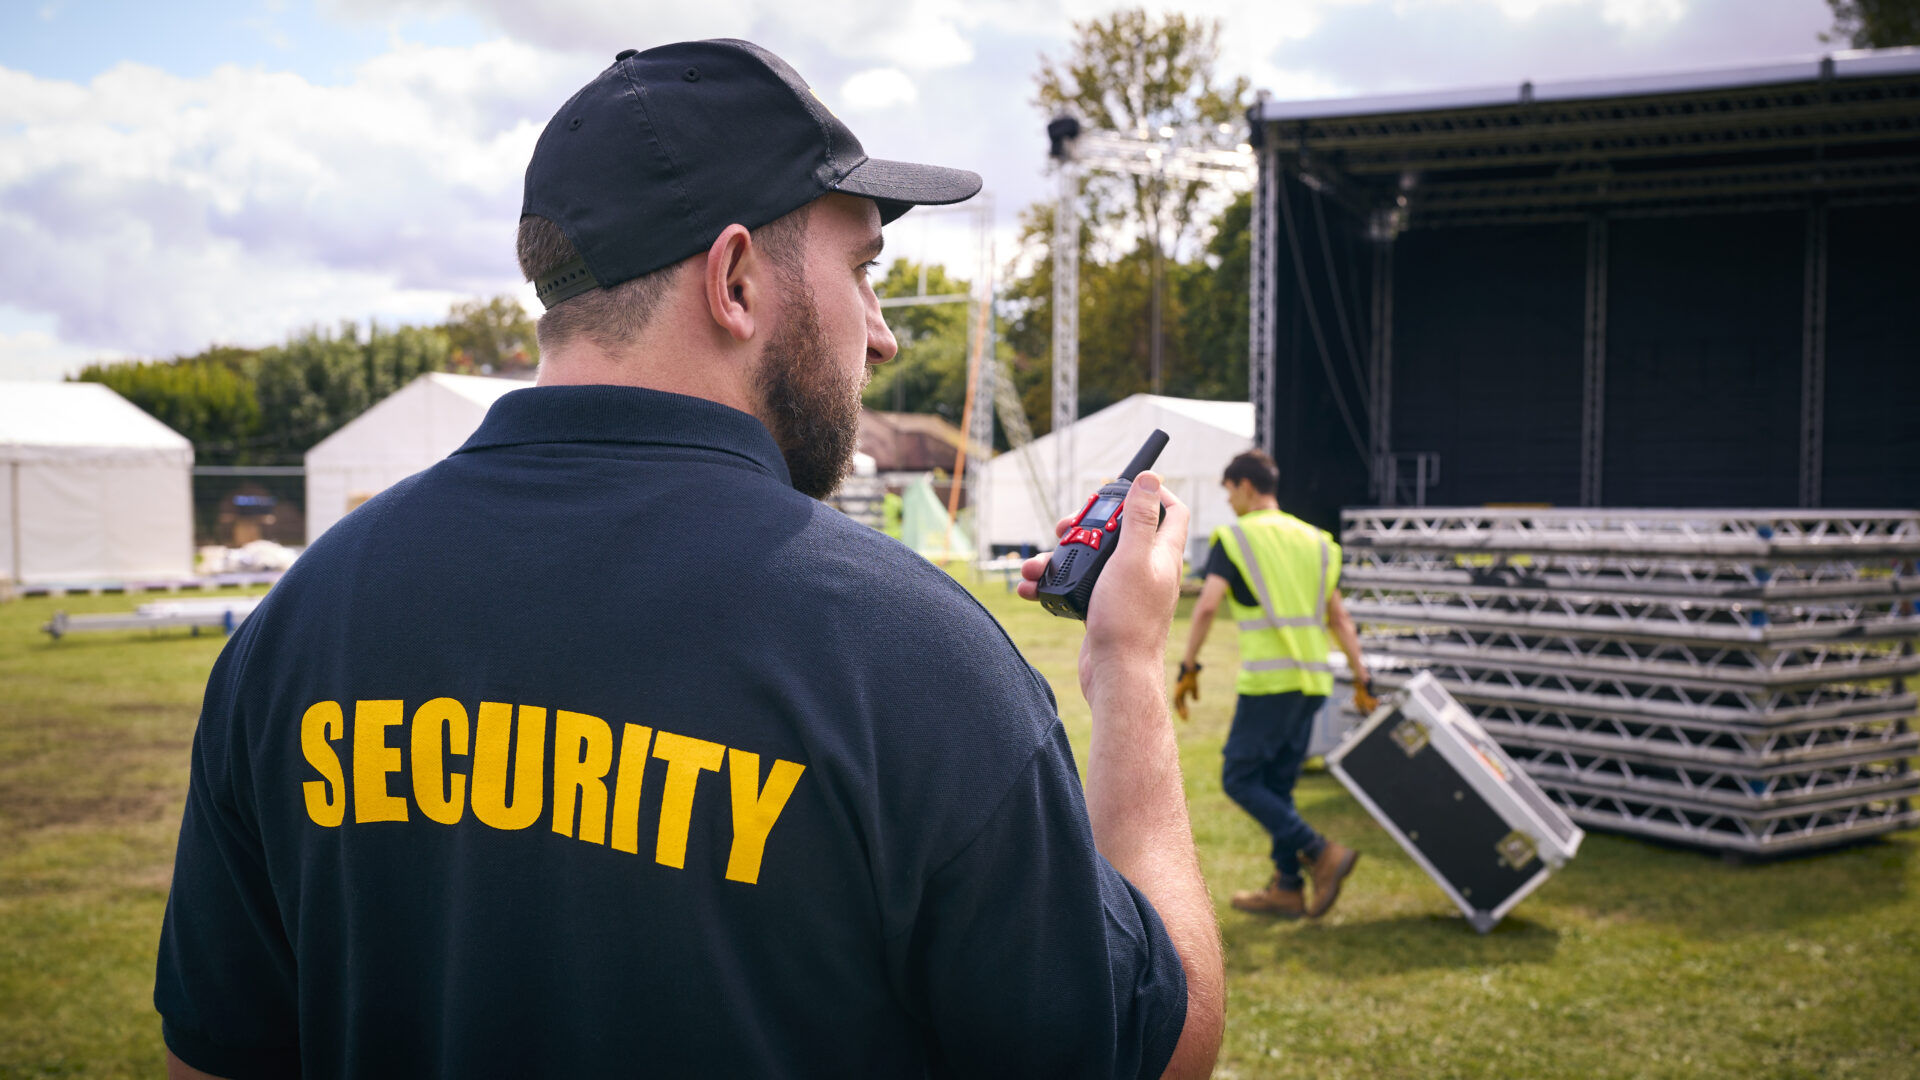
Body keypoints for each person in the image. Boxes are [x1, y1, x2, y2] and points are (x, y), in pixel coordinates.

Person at [154, 39, 1223, 1079]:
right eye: (863, 271)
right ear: (737, 280)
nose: (884, 336)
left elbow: (214, 1053)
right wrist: (1125, 668)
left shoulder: (303, 621)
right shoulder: (906, 657)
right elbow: (1160, 1048)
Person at [1172, 449, 1374, 919]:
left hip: (1270, 682)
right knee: (1278, 785)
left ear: (1244, 485)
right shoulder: (1318, 541)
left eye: (1228, 491)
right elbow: (1339, 617)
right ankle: (1287, 886)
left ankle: (1320, 851)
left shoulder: (1235, 538)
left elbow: (1205, 606)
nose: (1228, 502)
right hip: (1313, 683)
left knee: (1239, 779)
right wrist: (1362, 677)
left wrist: (1187, 667)